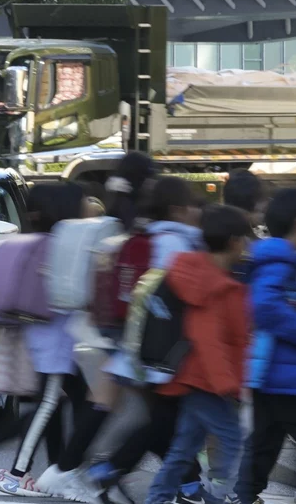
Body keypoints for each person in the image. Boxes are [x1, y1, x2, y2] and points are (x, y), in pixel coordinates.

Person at [0, 182, 86, 495]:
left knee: (72, 400)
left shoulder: (35, 241)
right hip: (53, 340)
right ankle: (14, 471)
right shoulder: (61, 244)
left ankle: (58, 470)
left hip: (41, 335)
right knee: (49, 403)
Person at [90, 176, 207, 503]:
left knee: (164, 420)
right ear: (177, 209)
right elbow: (183, 294)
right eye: (190, 206)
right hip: (168, 351)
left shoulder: (143, 238)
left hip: (140, 345)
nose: (194, 213)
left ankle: (186, 482)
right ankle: (113, 470)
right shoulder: (176, 243)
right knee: (167, 420)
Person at [143, 205, 252, 504]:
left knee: (183, 449)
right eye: (244, 239)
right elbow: (208, 337)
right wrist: (228, 385)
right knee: (232, 440)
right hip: (210, 382)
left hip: (196, 378)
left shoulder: (203, 275)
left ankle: (158, 498)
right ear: (233, 241)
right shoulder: (215, 285)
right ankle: (219, 498)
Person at [235, 187, 296, 504]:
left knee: (266, 440)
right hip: (282, 373)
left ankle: (245, 495)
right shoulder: (279, 261)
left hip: (269, 372)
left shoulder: (279, 259)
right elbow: (264, 306)